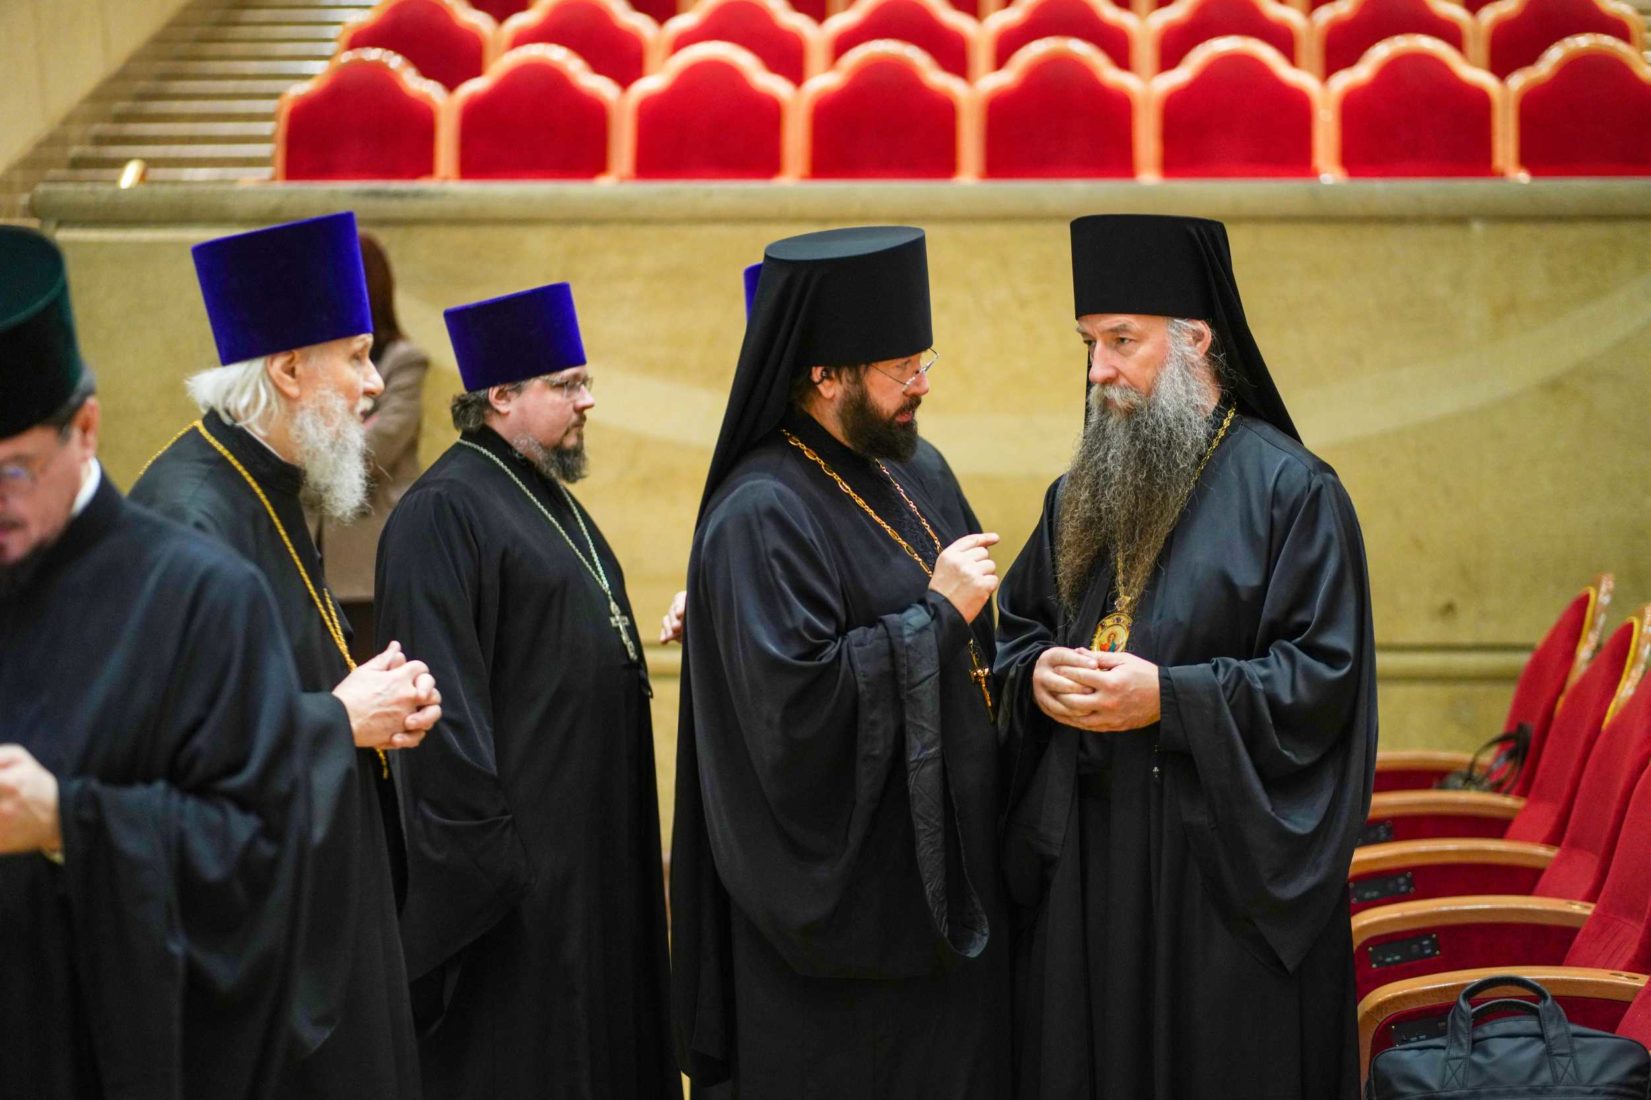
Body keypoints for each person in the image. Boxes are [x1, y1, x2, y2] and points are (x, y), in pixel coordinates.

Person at [995, 214, 1377, 1098]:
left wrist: (1171, 698)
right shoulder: (1078, 493)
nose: (1098, 370)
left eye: (1120, 341)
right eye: (1089, 345)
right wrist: (1037, 673)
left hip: (1216, 888)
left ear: (1195, 340)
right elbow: (1015, 633)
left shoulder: (1292, 491)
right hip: (1089, 865)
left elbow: (1322, 681)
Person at [671, 225, 1011, 1098]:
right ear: (825, 375)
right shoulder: (760, 508)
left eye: (923, 361)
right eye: (901, 368)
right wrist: (935, 618)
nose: (922, 385)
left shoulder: (915, 467)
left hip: (949, 891)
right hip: (847, 942)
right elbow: (794, 713)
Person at [0, 226, 319, 1098]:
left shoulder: (200, 598)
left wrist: (69, 822)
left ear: (86, 427)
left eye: (14, 471)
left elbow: (259, 861)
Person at [130, 212, 436, 1099]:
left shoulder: (263, 484)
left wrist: (375, 704)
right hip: (264, 968)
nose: (375, 383)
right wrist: (341, 719)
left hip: (323, 908)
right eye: (357, 356)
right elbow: (169, 755)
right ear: (290, 370)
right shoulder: (191, 514)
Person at [375, 282, 674, 1099]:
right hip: (520, 891)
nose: (588, 401)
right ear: (500, 396)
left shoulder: (547, 499)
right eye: (567, 385)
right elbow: (439, 715)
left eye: (585, 382)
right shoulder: (441, 513)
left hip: (594, 860)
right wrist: (497, 871)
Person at [319, 232, 430, 665]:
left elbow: (372, 450)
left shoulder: (402, 361)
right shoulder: (316, 362)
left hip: (367, 558)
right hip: (312, 555)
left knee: (374, 674)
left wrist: (315, 437)